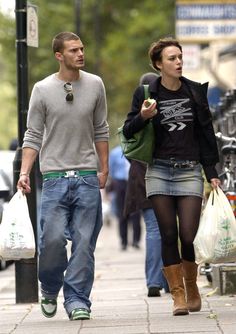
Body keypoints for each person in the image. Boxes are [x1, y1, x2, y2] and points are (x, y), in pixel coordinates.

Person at [123, 37, 220, 316]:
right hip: (159, 171)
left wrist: (210, 171)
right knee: (167, 233)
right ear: (158, 64)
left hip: (189, 170)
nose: (178, 62)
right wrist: (142, 116)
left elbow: (205, 134)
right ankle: (178, 296)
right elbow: (128, 131)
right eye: (171, 58)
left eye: (179, 57)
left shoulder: (194, 92)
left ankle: (192, 286)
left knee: (188, 235)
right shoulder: (146, 93)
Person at [17, 32, 109, 321]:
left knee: (84, 244)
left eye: (82, 48)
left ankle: (78, 300)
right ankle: (50, 286)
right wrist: (24, 172)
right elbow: (33, 134)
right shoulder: (42, 90)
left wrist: (103, 168)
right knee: (52, 241)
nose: (80, 53)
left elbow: (101, 129)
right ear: (59, 55)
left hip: (86, 177)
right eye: (73, 50)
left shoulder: (95, 85)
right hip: (55, 178)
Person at [124, 72, 169, 297]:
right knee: (170, 229)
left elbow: (127, 145)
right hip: (164, 174)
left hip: (140, 179)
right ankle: (169, 281)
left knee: (153, 230)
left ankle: (154, 281)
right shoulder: (167, 108)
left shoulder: (136, 116)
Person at [109, 145, 141, 250]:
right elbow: (111, 169)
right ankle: (123, 242)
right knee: (122, 213)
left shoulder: (137, 149)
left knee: (136, 212)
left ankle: (136, 241)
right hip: (120, 183)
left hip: (134, 182)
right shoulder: (115, 152)